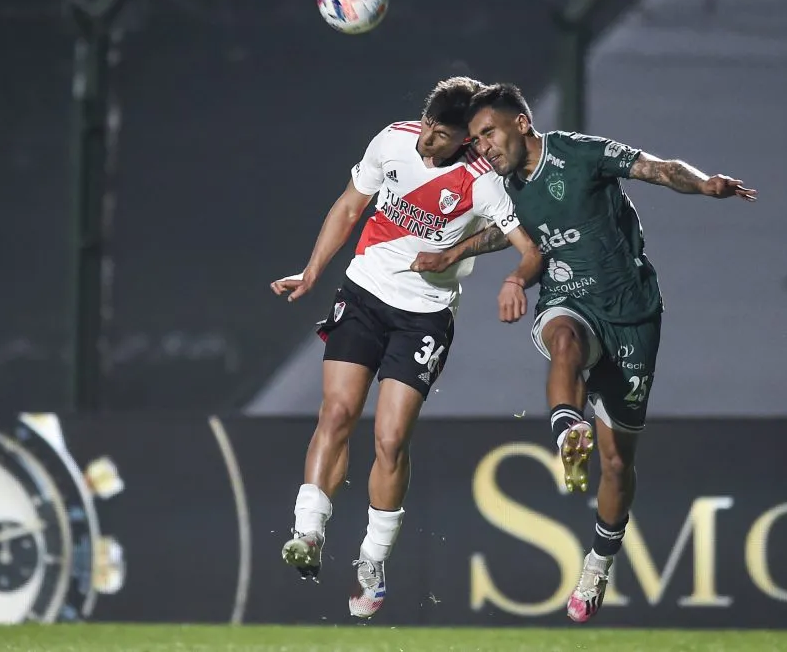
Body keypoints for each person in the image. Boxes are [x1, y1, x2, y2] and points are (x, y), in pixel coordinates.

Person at [411, 83, 756, 623]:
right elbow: (505, 234)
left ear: (521, 123)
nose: (482, 147)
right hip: (568, 298)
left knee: (617, 464)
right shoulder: (501, 184)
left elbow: (659, 168)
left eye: (488, 134)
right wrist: (452, 252)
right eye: (475, 140)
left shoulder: (579, 153)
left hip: (633, 313)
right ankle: (568, 430)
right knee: (563, 340)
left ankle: (598, 562)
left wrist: (705, 184)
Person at [270, 77, 542, 619]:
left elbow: (524, 245)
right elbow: (350, 206)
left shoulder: (481, 182)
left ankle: (372, 562)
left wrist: (484, 266)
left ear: (466, 139)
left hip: (424, 318)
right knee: (338, 412)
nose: (426, 141)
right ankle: (309, 531)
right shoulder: (393, 140)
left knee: (390, 440)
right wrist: (312, 272)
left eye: (441, 136)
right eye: (426, 125)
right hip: (365, 292)